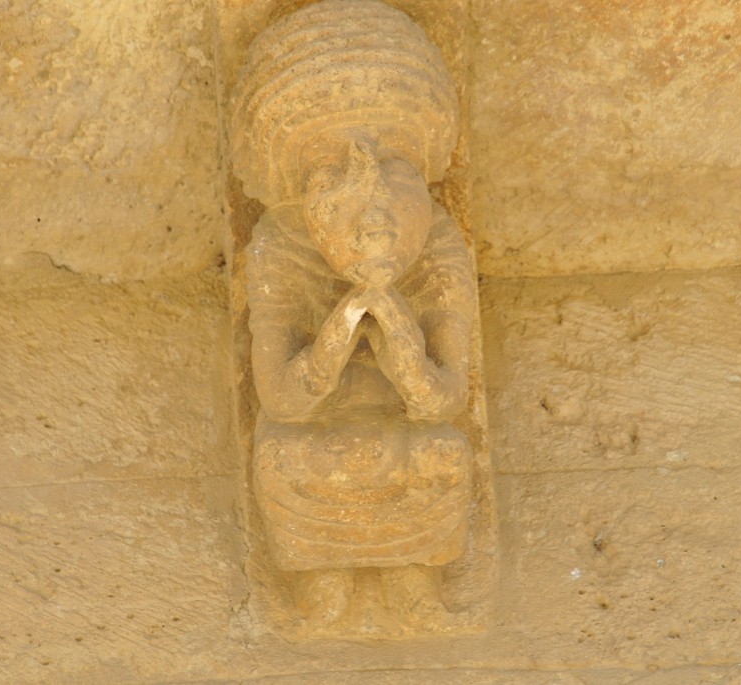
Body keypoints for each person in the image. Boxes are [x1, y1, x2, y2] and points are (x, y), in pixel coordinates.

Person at [232, 0, 476, 627]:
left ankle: (417, 581)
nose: (373, 214)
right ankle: (324, 580)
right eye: (330, 177)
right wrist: (340, 330)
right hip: (318, 433)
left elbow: (447, 397)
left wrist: (400, 333)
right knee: (287, 459)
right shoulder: (279, 249)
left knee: (440, 455)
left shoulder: (441, 244)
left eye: (396, 168)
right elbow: (282, 401)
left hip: (407, 432)